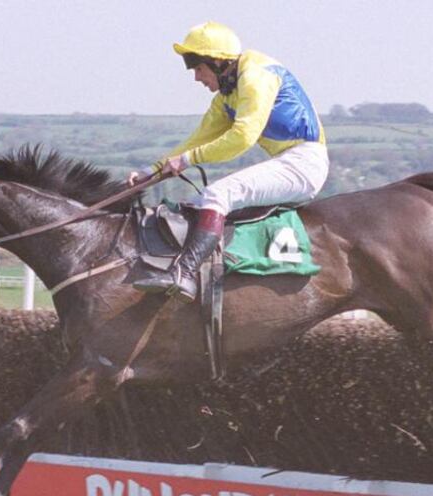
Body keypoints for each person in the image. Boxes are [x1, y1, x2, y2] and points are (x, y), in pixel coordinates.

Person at [129, 21, 329, 303]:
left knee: (218, 193)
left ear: (218, 62)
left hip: (304, 163)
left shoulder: (256, 76)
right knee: (198, 202)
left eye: (198, 68)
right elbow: (197, 140)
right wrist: (151, 170)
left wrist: (188, 161)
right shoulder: (226, 95)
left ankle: (185, 273)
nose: (196, 77)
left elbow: (242, 137)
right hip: (288, 160)